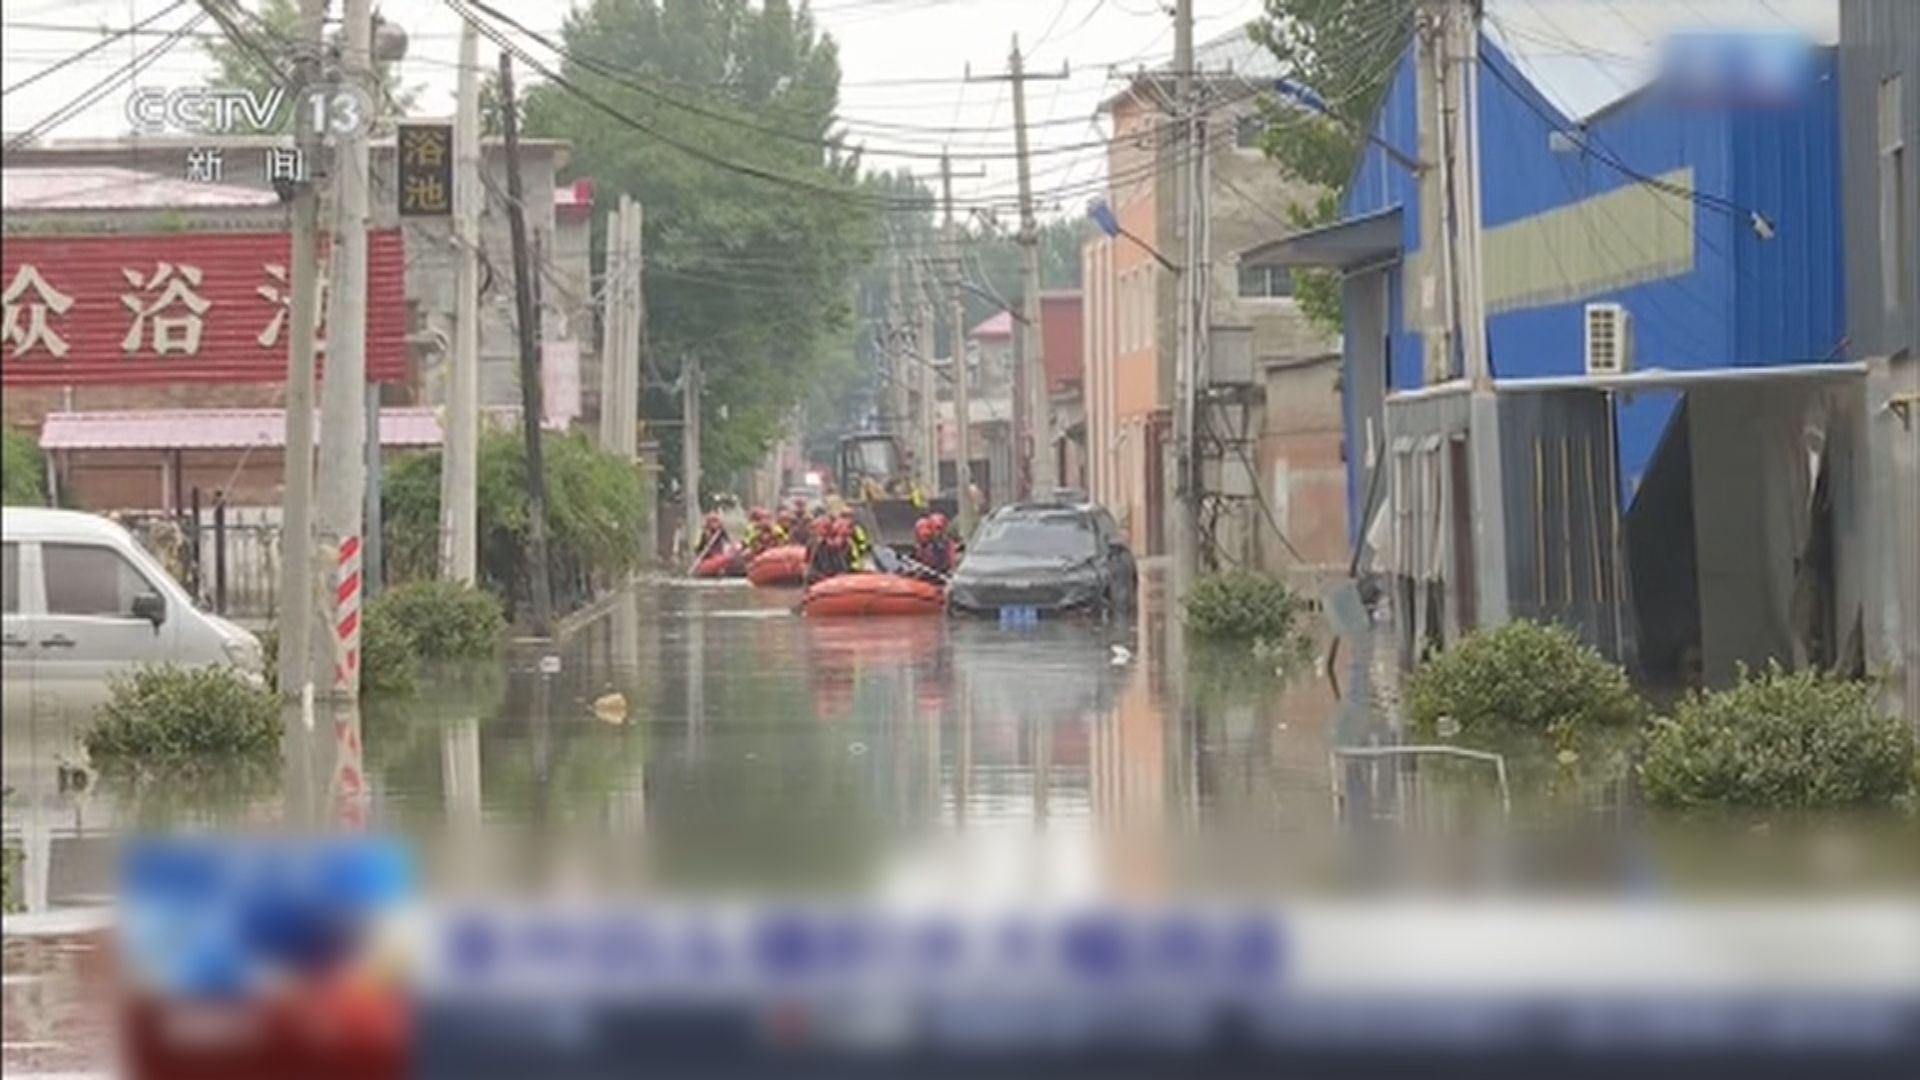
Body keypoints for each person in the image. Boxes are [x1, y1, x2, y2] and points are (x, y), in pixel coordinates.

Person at [806, 518, 851, 583]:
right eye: (825, 527)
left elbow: (841, 564)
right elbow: (811, 564)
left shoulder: (832, 544)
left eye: (828, 527)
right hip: (821, 579)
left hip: (832, 578)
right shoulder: (815, 544)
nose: (827, 530)